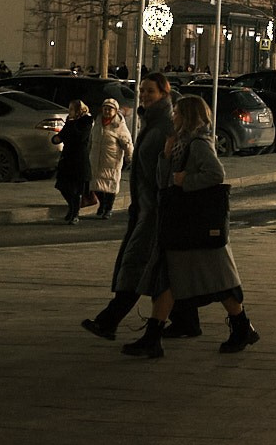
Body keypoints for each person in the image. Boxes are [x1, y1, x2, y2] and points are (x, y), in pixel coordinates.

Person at [120, 93, 259, 358]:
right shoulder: (181, 142)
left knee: (217, 281)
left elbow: (216, 174)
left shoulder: (198, 143)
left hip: (195, 223)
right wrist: (166, 155)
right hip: (180, 222)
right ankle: (153, 336)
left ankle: (242, 327)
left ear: (188, 116)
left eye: (177, 113)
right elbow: (165, 181)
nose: (173, 117)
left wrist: (187, 180)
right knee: (168, 278)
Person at [82, 72, 200, 341]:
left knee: (138, 264)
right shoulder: (153, 123)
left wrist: (156, 203)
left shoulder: (162, 128)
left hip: (154, 210)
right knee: (163, 270)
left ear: (164, 94)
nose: (145, 95)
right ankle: (186, 321)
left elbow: (166, 171)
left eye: (151, 91)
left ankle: (109, 321)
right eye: (143, 91)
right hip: (147, 207)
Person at [90, 97, 133, 219]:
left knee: (110, 186)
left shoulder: (119, 125)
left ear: (115, 111)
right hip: (96, 159)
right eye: (105, 108)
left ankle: (108, 208)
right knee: (96, 185)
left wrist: (130, 156)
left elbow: (127, 143)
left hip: (111, 160)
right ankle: (102, 205)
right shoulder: (97, 122)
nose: (107, 111)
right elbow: (91, 140)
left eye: (110, 109)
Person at [52, 99, 94, 224]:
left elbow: (80, 137)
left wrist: (72, 124)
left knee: (76, 189)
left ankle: (75, 213)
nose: (69, 112)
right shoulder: (69, 122)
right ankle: (72, 208)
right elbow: (62, 135)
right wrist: (56, 138)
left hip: (79, 160)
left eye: (71, 109)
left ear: (78, 110)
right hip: (67, 158)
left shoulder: (85, 121)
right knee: (63, 186)